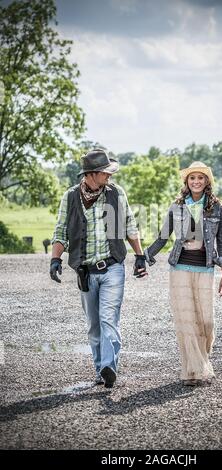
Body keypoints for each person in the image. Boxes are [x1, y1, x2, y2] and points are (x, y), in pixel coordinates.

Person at [50, 148, 147, 388]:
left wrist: (140, 255)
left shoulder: (116, 193)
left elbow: (129, 224)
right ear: (91, 174)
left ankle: (109, 365)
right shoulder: (70, 197)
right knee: (94, 325)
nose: (110, 177)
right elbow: (61, 230)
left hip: (112, 267)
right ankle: (100, 371)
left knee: (108, 319)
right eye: (106, 173)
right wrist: (55, 259)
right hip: (85, 271)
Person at [144, 161, 222, 387]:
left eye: (200, 178)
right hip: (180, 268)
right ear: (186, 181)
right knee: (187, 322)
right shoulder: (177, 206)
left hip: (206, 268)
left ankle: (201, 358)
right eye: (192, 178)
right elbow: (163, 237)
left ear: (207, 181)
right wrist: (146, 255)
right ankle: (193, 370)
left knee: (207, 321)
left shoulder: (216, 207)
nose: (196, 181)